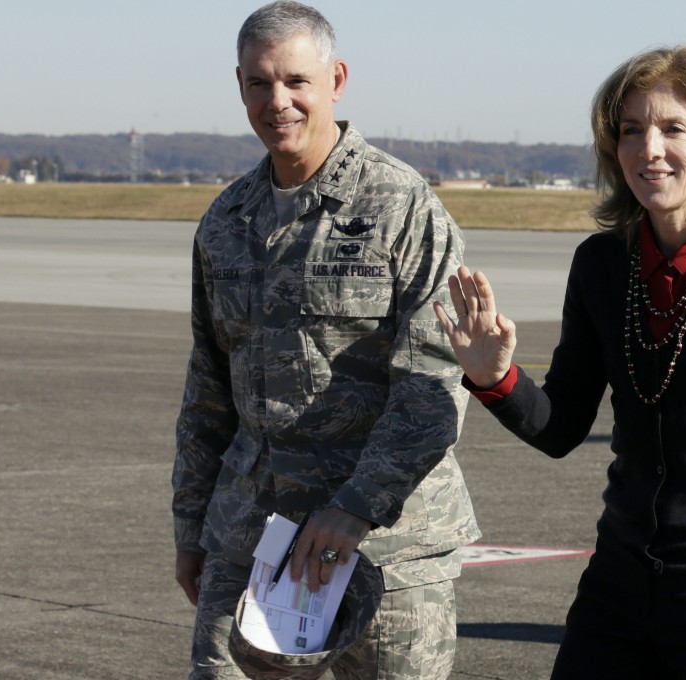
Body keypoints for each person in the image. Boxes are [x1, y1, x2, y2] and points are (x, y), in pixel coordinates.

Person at [434, 46, 686, 680]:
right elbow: (562, 426)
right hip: (621, 578)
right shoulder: (600, 264)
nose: (649, 148)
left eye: (673, 128)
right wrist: (496, 379)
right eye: (630, 131)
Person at [172, 2, 479, 678]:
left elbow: (432, 385)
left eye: (295, 82)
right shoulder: (226, 221)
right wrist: (192, 528)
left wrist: (353, 510)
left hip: (386, 548)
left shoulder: (400, 206)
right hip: (255, 539)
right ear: (240, 87)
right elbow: (207, 393)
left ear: (336, 80)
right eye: (258, 84)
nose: (277, 101)